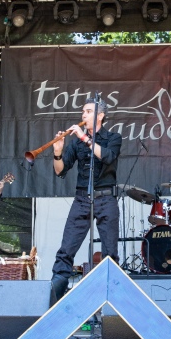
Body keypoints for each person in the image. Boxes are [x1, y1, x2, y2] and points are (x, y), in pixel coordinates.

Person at [50, 98, 122, 299]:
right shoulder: (75, 143)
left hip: (106, 199)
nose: (84, 115)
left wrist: (85, 139)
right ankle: (55, 295)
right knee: (66, 250)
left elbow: (107, 156)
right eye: (83, 112)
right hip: (82, 199)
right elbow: (60, 171)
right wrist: (57, 153)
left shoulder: (113, 138)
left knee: (110, 255)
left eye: (89, 111)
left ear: (100, 116)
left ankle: (110, 299)